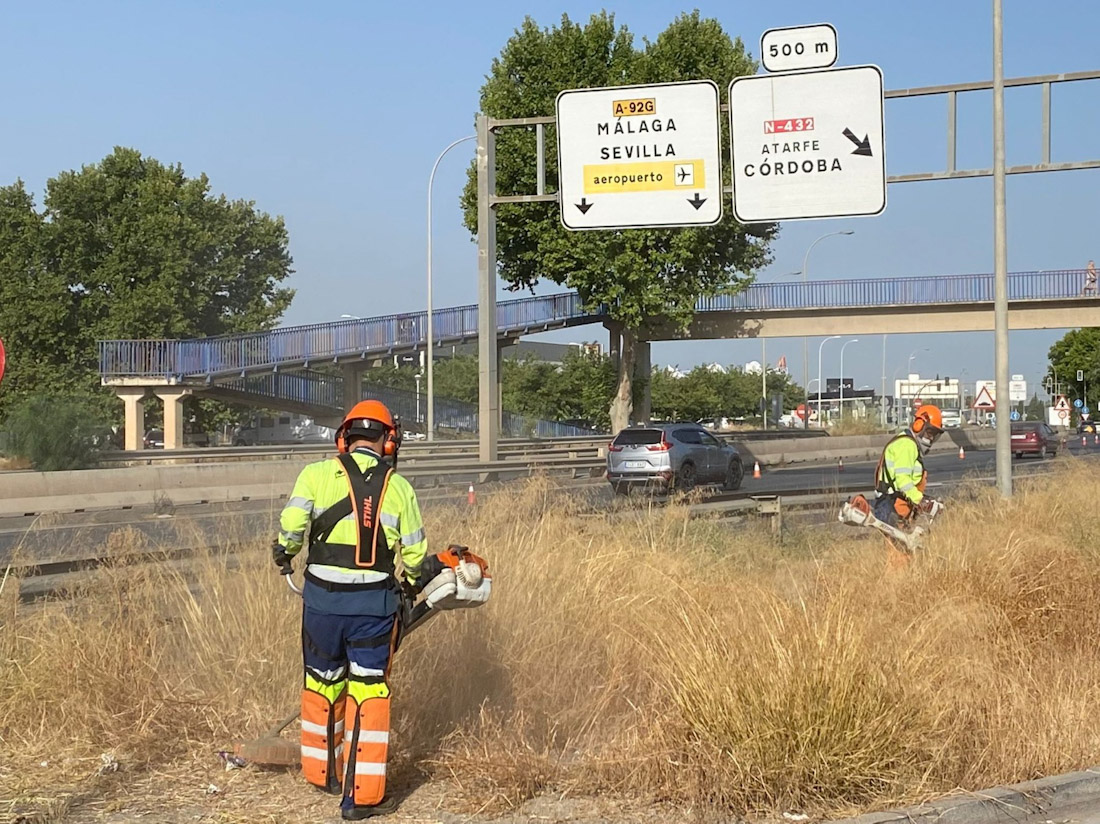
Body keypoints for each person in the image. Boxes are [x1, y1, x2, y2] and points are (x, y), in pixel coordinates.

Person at [273, 400, 426, 820]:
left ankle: (324, 774)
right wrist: (413, 582)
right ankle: (361, 798)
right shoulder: (399, 487)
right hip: (373, 610)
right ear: (388, 441)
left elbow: (292, 527)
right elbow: (415, 555)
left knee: (322, 683)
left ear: (343, 438)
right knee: (368, 693)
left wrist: (284, 552)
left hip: (321, 606)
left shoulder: (315, 474)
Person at [872, 403, 944, 528]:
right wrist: (921, 501)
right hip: (891, 506)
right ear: (918, 425)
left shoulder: (909, 444)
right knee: (896, 540)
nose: (931, 438)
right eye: (929, 432)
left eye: (934, 434)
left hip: (896, 504)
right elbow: (903, 481)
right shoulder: (907, 444)